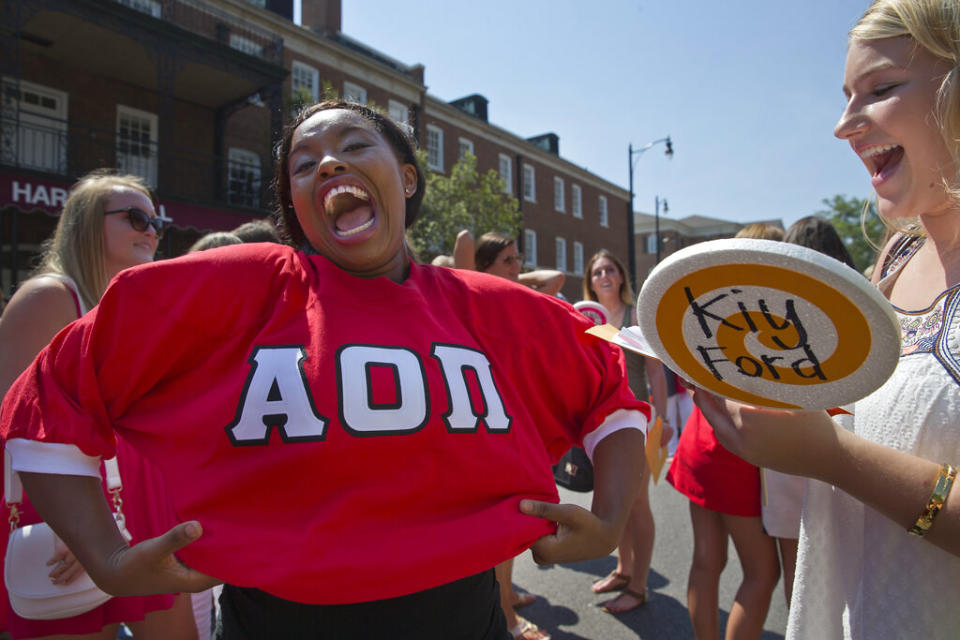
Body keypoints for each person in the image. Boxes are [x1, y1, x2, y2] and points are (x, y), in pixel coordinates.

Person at [0, 101, 650, 640]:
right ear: (295, 207)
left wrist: (612, 514)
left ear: (408, 176)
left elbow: (608, 392)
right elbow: (49, 392)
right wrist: (105, 556)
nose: (328, 163)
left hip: (462, 616)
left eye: (353, 145)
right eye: (303, 165)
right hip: (275, 620)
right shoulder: (234, 292)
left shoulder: (487, 308)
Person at [695, 2, 960, 637]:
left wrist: (832, 456)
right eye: (845, 96)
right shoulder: (894, 257)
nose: (843, 126)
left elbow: (842, 449)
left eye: (881, 89)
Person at [0, 171, 197, 640]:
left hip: (141, 505)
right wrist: (70, 522)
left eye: (154, 221)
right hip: (70, 512)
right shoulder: (50, 297)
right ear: (89, 225)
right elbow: (9, 420)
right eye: (134, 217)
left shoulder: (130, 306)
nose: (150, 230)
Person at [665, 223, 784, 640]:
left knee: (706, 561)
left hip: (700, 440)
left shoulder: (712, 308)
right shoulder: (773, 314)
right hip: (737, 446)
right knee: (762, 572)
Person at [757, 216, 858, 608]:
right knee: (848, 570)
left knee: (800, 581)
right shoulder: (854, 302)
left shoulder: (771, 307)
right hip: (845, 442)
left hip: (785, 449)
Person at [580, 249, 670, 614]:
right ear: (591, 280)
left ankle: (638, 586)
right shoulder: (586, 316)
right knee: (616, 502)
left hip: (638, 422)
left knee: (636, 505)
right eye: (597, 271)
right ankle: (623, 569)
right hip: (602, 424)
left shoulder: (636, 317)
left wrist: (661, 420)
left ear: (620, 277)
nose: (603, 275)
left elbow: (654, 372)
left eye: (610, 269)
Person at [456, 230, 566, 296]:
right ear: (486, 263)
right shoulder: (472, 294)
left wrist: (514, 279)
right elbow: (464, 238)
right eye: (508, 260)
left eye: (518, 258)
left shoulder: (519, 299)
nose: (517, 266)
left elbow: (556, 278)